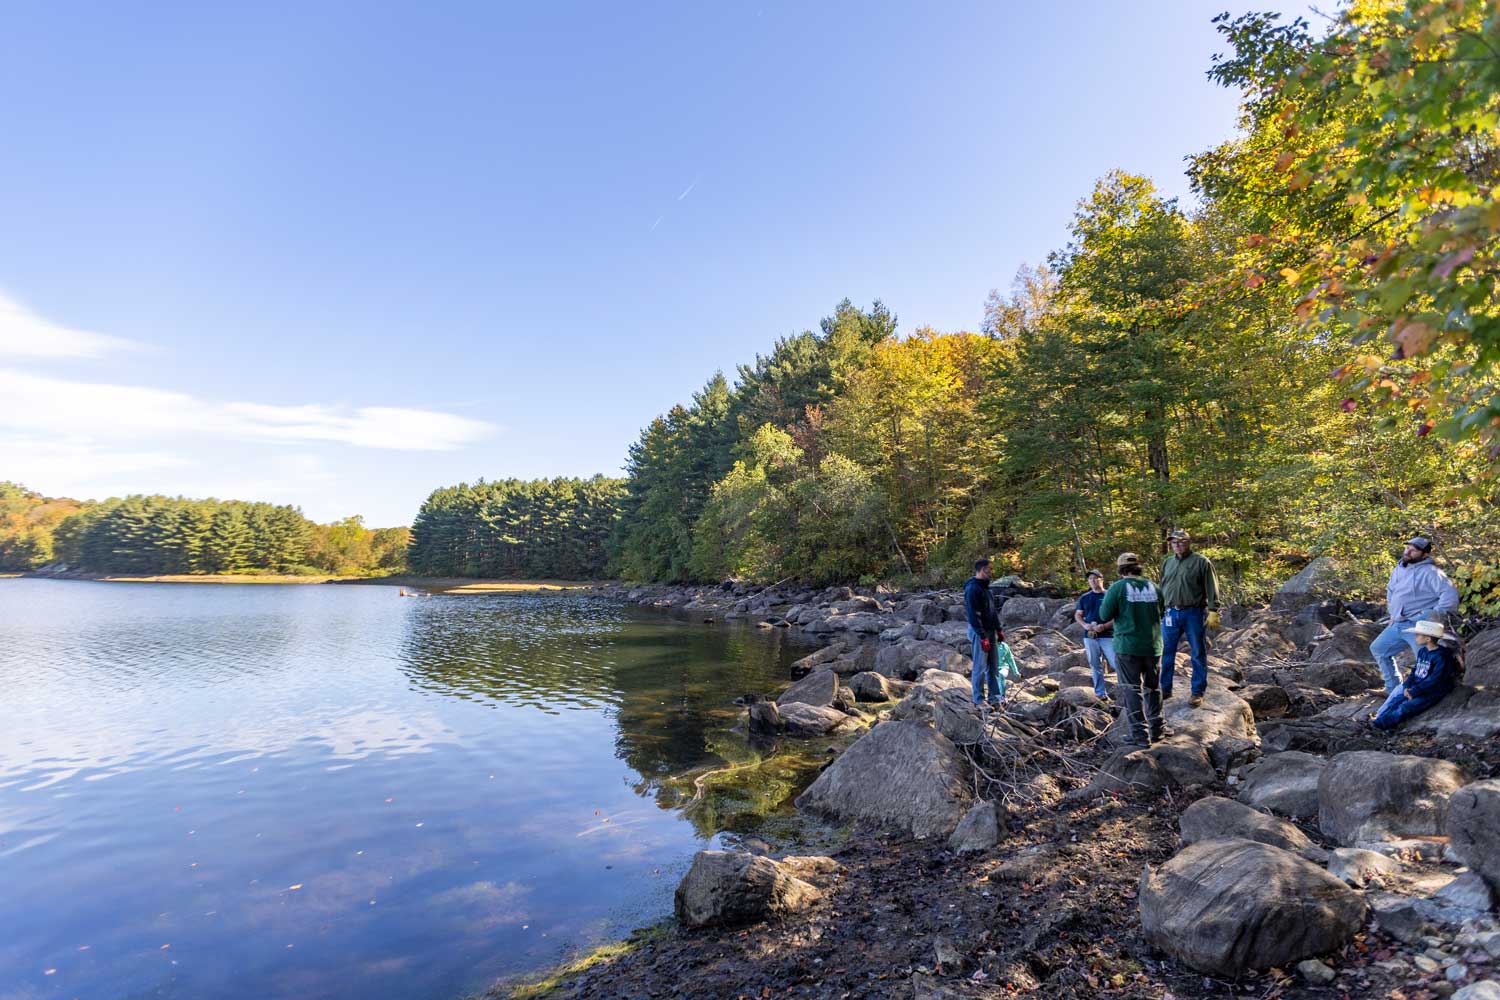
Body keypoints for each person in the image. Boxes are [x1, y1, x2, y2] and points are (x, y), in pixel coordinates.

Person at [1370, 536, 1460, 694]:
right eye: (1408, 547)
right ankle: (1393, 690)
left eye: (1414, 549)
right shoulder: (1399, 568)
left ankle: (1425, 694)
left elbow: (1450, 596)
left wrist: (1432, 615)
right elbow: (1391, 591)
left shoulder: (1431, 572)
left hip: (1419, 626)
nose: (1408, 551)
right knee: (1379, 648)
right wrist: (1393, 613)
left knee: (1425, 660)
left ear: (1424, 554)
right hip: (1398, 623)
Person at [1097, 552, 1167, 748]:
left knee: (1131, 690)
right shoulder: (1154, 587)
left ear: (1120, 570)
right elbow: (1161, 611)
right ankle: (1157, 730)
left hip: (1127, 646)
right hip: (1153, 645)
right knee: (1153, 688)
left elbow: (1104, 614)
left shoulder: (1118, 588)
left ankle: (1140, 735)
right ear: (1138, 567)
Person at [1159, 528, 1221, 709]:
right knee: (1166, 652)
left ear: (1188, 542)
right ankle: (1165, 688)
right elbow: (1163, 586)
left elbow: (1211, 586)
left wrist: (1213, 609)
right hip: (1170, 613)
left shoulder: (1201, 562)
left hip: (1193, 612)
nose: (1177, 545)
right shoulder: (1167, 563)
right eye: (1173, 542)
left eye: (1180, 541)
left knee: (1197, 652)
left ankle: (1197, 691)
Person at [1371, 620, 1460, 730]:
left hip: (1432, 691)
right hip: (1417, 687)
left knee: (1406, 707)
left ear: (1428, 639)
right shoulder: (1423, 651)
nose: (1415, 637)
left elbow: (1435, 680)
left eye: (1417, 635)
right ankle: (1380, 721)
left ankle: (1379, 725)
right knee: (1396, 701)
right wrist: (1408, 685)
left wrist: (1415, 691)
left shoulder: (1441, 657)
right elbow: (1415, 670)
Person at [964, 558, 1005, 708]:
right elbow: (973, 615)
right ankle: (979, 700)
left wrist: (999, 629)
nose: (991, 573)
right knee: (980, 667)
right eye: (989, 570)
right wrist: (982, 636)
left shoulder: (987, 588)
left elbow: (992, 612)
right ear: (981, 570)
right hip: (979, 632)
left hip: (991, 630)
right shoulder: (972, 589)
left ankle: (995, 698)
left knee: (993, 666)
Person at [1074, 569, 1117, 699]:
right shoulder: (1085, 597)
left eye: (1095, 578)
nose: (1092, 581)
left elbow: (1118, 616)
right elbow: (1078, 614)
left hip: (1108, 635)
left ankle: (1125, 691)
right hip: (1090, 637)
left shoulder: (1110, 595)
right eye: (1090, 579)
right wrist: (1085, 625)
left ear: (1101, 579)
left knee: (1117, 663)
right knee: (1095, 665)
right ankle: (1100, 694)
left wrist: (1104, 626)